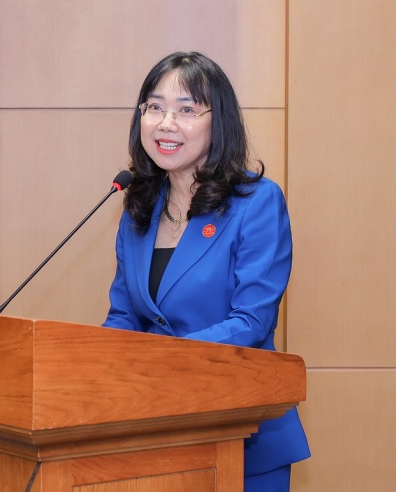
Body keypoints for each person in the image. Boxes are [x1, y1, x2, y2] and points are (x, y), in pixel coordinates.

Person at [103, 51, 310, 491]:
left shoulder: (256, 203)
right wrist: (94, 363)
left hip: (242, 433)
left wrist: (160, 363)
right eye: (154, 107)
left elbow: (251, 322)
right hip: (157, 436)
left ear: (220, 122)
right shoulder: (138, 207)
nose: (165, 123)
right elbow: (124, 316)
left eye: (186, 110)